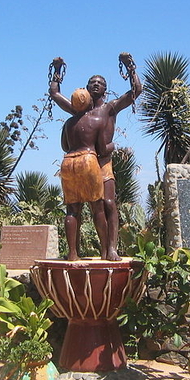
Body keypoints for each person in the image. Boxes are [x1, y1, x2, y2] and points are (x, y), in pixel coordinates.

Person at [49, 53, 142, 261]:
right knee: (78, 207)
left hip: (103, 163)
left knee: (108, 203)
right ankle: (74, 252)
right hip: (85, 160)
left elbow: (136, 91)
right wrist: (57, 71)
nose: (96, 85)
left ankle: (110, 248)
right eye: (92, 82)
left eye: (100, 83)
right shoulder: (77, 112)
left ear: (105, 89)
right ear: (86, 87)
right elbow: (54, 94)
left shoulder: (109, 108)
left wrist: (130, 68)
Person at [60, 88, 109, 261]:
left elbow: (65, 146)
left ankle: (72, 253)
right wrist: (112, 147)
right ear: (89, 102)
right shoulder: (97, 120)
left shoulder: (68, 124)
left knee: (72, 210)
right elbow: (102, 148)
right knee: (97, 207)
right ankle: (105, 251)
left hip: (68, 162)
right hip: (88, 160)